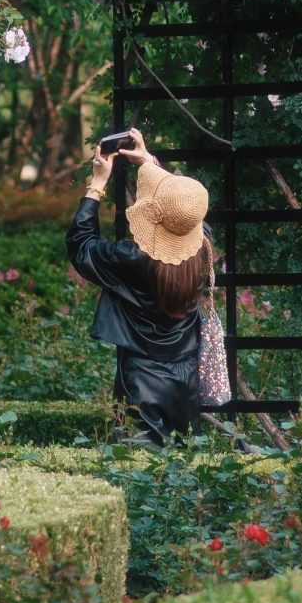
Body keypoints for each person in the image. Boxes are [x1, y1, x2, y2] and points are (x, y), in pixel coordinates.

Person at [66, 128, 212, 445]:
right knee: (186, 455)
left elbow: (81, 247)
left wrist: (97, 184)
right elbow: (182, 212)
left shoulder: (132, 258)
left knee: (138, 457)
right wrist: (149, 162)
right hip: (186, 371)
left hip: (141, 374)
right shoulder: (201, 248)